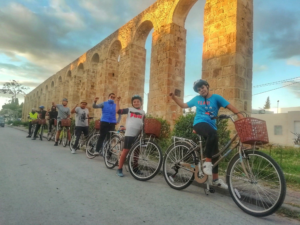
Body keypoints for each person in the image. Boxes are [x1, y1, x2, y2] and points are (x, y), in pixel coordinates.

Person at [169, 79, 243, 189]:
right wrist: (174, 98)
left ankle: (216, 179)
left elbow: (231, 107)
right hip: (199, 123)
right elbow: (184, 105)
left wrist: (240, 116)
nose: (201, 90)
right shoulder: (197, 99)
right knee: (212, 135)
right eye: (199, 90)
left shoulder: (216, 98)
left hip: (211, 126)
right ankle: (207, 164)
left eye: (202, 87)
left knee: (216, 153)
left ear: (207, 86)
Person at [115, 95, 145, 177]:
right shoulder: (129, 109)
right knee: (125, 151)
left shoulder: (143, 112)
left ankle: (135, 168)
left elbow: (143, 122)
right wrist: (117, 101)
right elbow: (118, 111)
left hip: (138, 134)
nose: (136, 103)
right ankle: (119, 168)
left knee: (136, 152)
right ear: (132, 103)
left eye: (138, 101)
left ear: (141, 103)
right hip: (129, 133)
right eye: (134, 102)